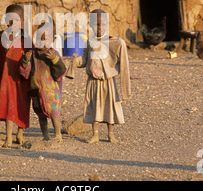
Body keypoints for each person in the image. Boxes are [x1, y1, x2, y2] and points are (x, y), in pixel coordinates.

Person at [79, 9, 131, 143]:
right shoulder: (89, 42)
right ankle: (95, 134)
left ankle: (111, 134)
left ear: (107, 25)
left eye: (102, 24)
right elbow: (85, 60)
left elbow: (122, 57)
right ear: (91, 25)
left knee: (110, 106)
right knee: (94, 106)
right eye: (96, 24)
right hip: (93, 81)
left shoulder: (114, 42)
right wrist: (76, 62)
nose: (99, 27)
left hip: (108, 81)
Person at [0, 4, 31, 147]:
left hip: (22, 78)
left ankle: (20, 133)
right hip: (6, 78)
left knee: (22, 104)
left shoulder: (26, 39)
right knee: (8, 105)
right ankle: (8, 137)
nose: (13, 23)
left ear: (22, 20)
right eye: (10, 20)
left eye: (17, 20)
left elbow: (34, 56)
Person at [20, 22, 67, 142]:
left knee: (54, 113)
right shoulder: (32, 54)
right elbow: (26, 73)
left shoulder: (53, 54)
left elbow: (61, 71)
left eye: (44, 39)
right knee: (40, 114)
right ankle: (45, 135)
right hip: (36, 90)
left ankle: (57, 134)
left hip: (51, 90)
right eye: (38, 38)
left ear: (51, 40)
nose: (41, 42)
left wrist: (54, 60)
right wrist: (25, 60)